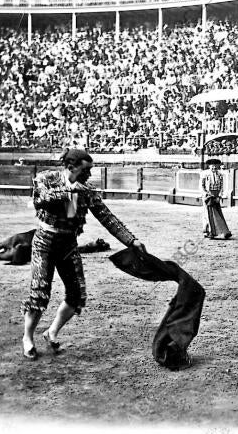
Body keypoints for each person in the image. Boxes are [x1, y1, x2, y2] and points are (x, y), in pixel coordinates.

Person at [21, 148, 146, 360]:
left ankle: (51, 333)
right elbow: (40, 199)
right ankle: (27, 338)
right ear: (71, 167)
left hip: (69, 243)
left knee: (76, 294)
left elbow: (107, 218)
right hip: (45, 242)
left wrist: (131, 240)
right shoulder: (46, 178)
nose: (89, 175)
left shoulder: (86, 190)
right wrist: (71, 192)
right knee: (40, 292)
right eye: (85, 170)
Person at [200, 158, 232, 240]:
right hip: (208, 196)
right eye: (212, 166)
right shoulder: (204, 174)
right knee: (207, 214)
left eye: (215, 166)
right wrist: (206, 194)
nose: (214, 168)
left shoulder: (220, 174)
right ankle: (207, 231)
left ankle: (219, 231)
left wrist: (219, 196)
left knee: (217, 213)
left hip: (216, 196)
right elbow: (201, 186)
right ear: (209, 166)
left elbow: (221, 186)